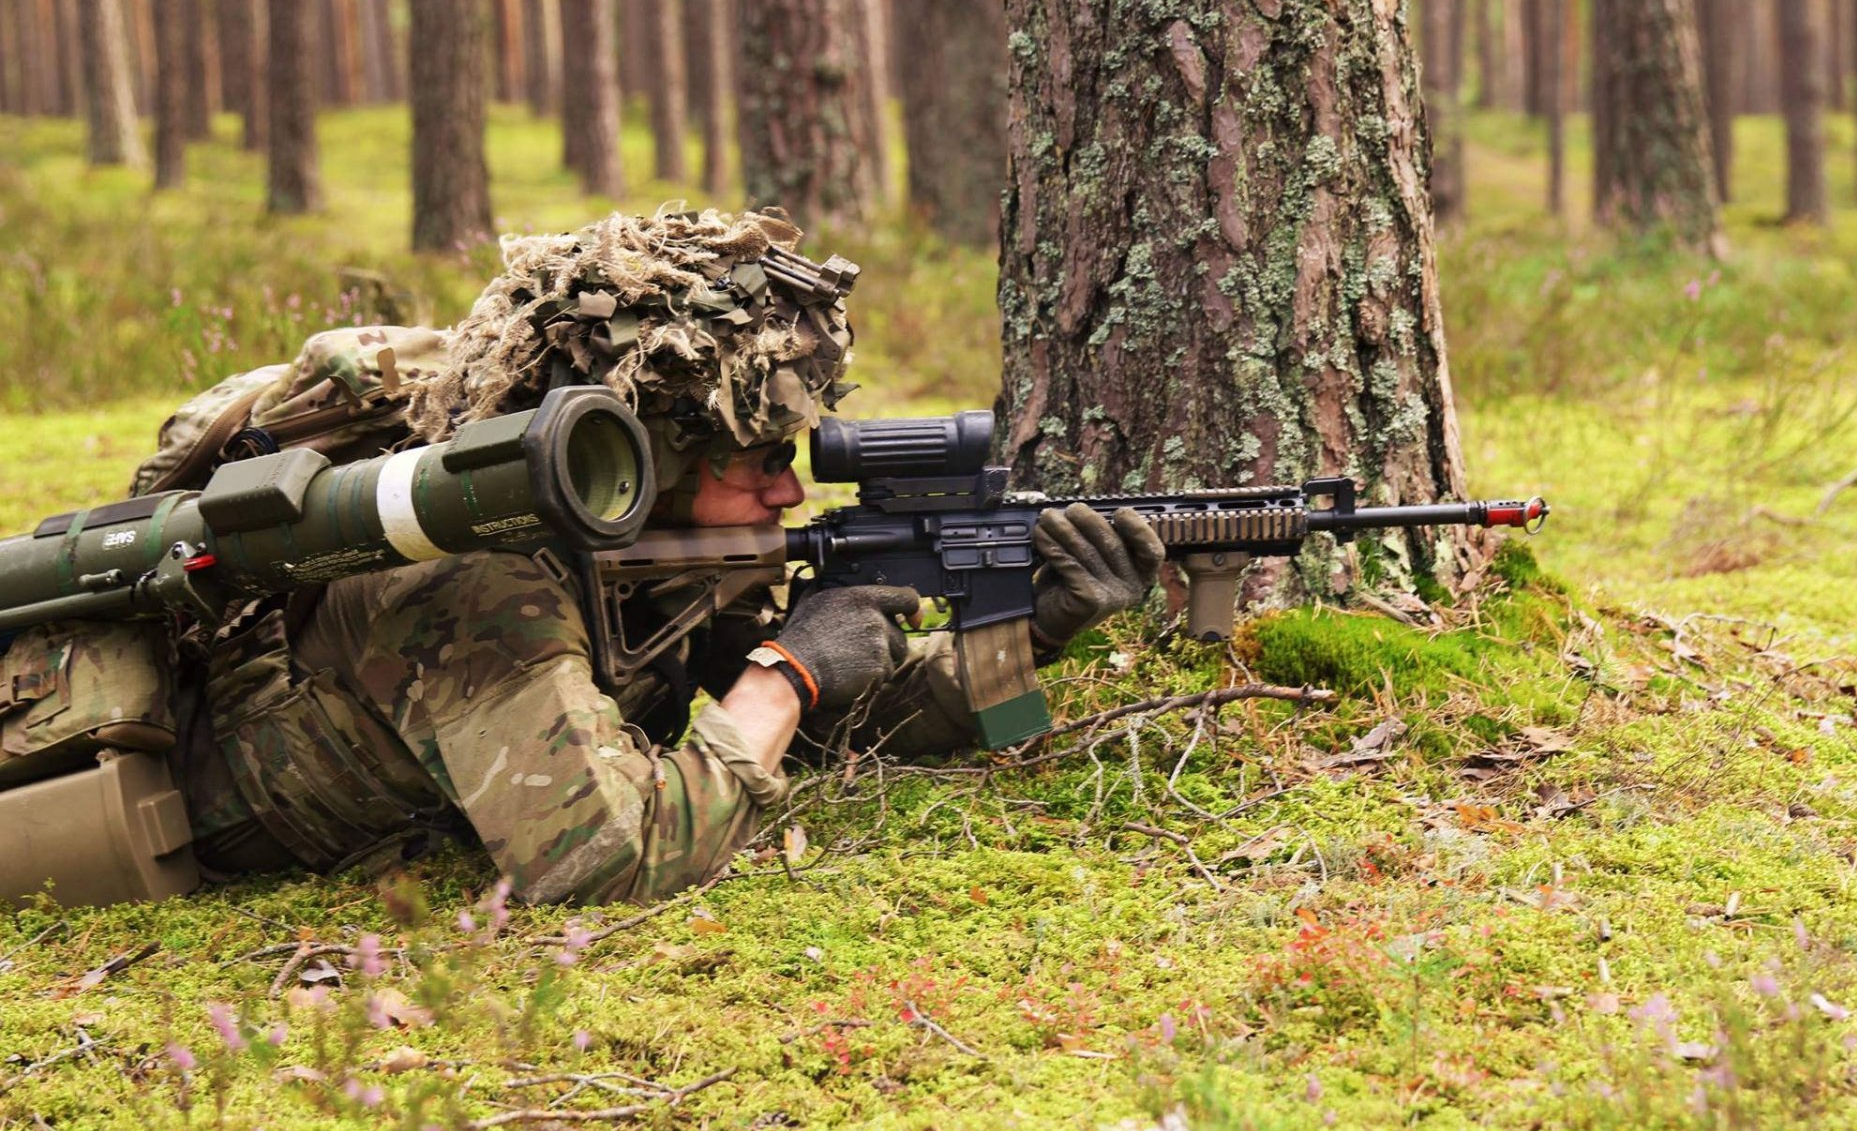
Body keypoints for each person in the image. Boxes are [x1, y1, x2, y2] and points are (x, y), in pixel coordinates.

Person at [165, 209, 1166, 906]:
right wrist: (785, 673)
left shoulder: (662, 545)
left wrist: (1033, 632)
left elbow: (828, 722)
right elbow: (605, 854)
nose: (789, 491)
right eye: (758, 461)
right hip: (166, 835)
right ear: (646, 465)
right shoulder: (482, 576)